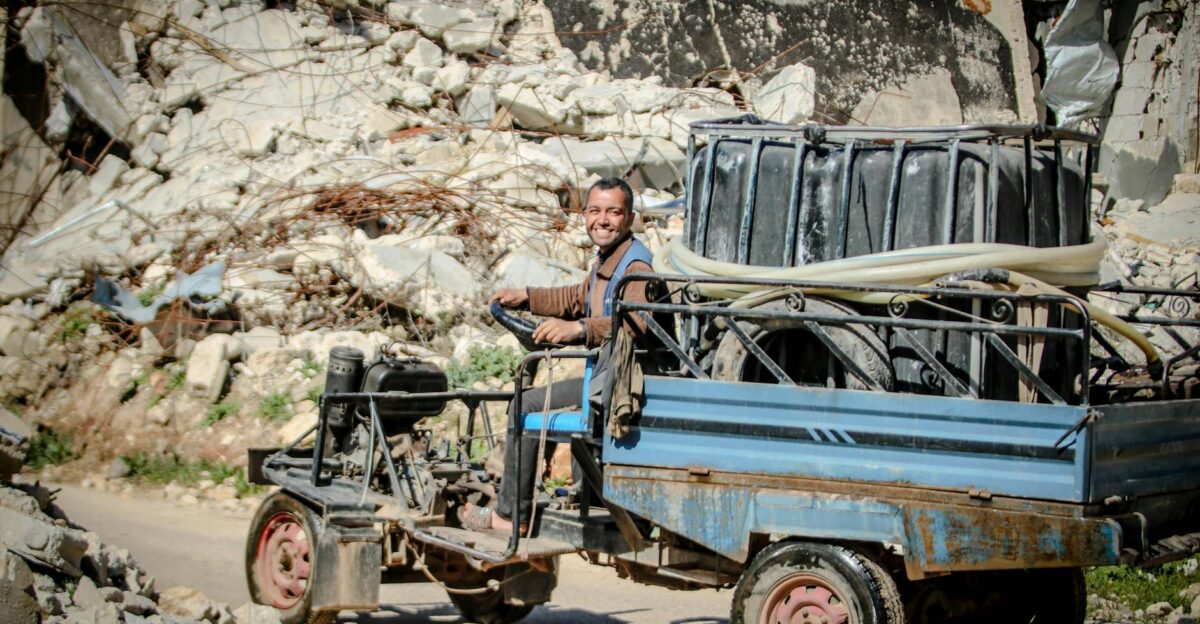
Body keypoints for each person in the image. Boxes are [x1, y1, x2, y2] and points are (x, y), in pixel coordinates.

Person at [459, 176, 654, 533]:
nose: (603, 220)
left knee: (526, 404)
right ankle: (580, 492)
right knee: (535, 398)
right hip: (606, 377)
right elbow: (575, 299)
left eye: (613, 212)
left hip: (620, 385)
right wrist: (527, 296)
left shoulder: (635, 267)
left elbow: (637, 322)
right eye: (595, 211)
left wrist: (580, 329)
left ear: (629, 217)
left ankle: (509, 516)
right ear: (584, 214)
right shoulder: (610, 261)